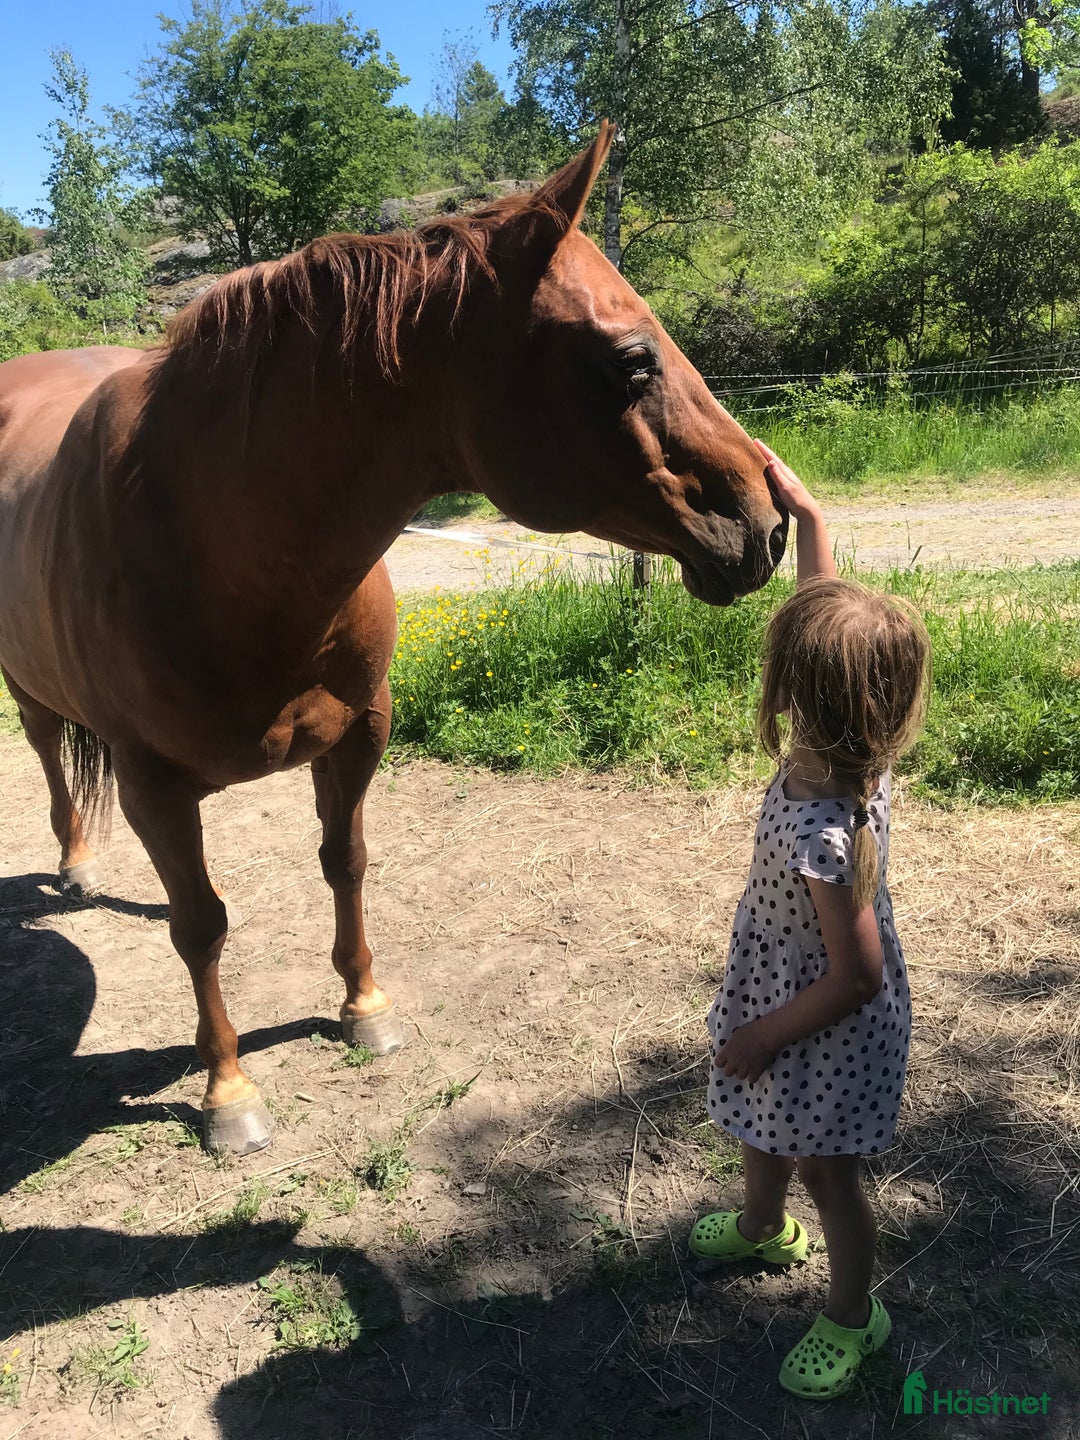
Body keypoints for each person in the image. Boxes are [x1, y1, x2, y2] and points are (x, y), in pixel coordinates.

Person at [690, 439, 931, 1400]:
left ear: (799, 690)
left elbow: (857, 976)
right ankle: (761, 1226)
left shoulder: (829, 828)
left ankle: (853, 1316)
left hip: (821, 1012)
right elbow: (823, 610)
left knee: (829, 1174)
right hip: (782, 985)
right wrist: (811, 517)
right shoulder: (850, 748)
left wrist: (764, 1032)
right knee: (761, 1118)